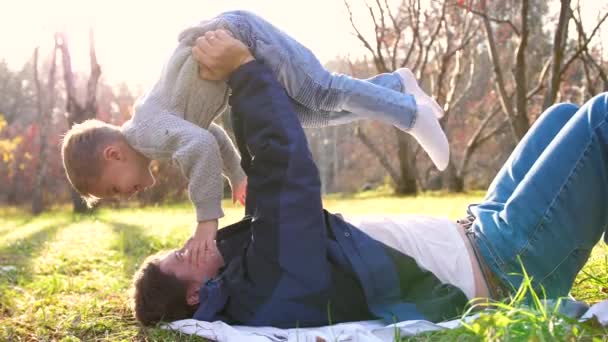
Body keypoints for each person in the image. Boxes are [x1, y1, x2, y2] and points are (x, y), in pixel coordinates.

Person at [130, 33, 608, 328]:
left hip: (477, 230)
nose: (189, 243)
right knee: (600, 120)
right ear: (196, 294)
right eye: (180, 255)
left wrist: (237, 85)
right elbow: (287, 177)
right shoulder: (265, 286)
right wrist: (247, 74)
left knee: (561, 114)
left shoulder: (246, 265)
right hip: (504, 263)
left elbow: (265, 179)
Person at [60, 10, 447, 269]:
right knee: (310, 114)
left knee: (321, 92)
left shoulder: (146, 132)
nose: (126, 194)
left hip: (240, 34)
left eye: (115, 188)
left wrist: (206, 222)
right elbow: (209, 134)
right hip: (237, 45)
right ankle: (398, 87)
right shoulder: (153, 133)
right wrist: (238, 176)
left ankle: (411, 114)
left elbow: (200, 147)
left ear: (114, 154)